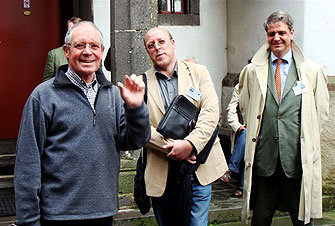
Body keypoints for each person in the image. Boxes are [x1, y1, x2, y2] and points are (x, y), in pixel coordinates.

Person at [14, 21, 151, 226]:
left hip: (103, 214)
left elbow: (135, 141)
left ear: (102, 52)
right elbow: (27, 165)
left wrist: (136, 109)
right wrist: (29, 221)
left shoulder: (114, 94)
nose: (88, 52)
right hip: (57, 216)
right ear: (66, 51)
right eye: (80, 46)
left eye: (94, 46)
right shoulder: (43, 96)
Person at [238, 11, 329, 226]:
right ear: (267, 36)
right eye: (271, 34)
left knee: (303, 221)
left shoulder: (312, 71)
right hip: (265, 160)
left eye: (281, 32)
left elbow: (321, 114)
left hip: (297, 161)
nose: (276, 38)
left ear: (291, 33)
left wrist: (306, 141)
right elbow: (246, 106)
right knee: (260, 219)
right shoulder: (252, 71)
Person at [143, 27, 228, 226]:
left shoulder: (199, 72)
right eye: (151, 45)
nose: (157, 48)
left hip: (197, 167)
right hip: (162, 169)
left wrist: (189, 145)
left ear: (173, 43)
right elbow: (140, 128)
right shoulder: (142, 82)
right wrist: (175, 148)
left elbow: (210, 113)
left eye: (161, 42)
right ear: (147, 51)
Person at [221, 83, 246, 198]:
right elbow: (231, 110)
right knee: (245, 135)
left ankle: (230, 169)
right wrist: (237, 126)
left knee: (246, 137)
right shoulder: (240, 86)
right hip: (245, 129)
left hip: (264, 130)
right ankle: (240, 186)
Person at [42, 17, 82, 82]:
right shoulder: (54, 54)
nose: (74, 34)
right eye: (70, 31)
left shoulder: (91, 53)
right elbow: (47, 81)